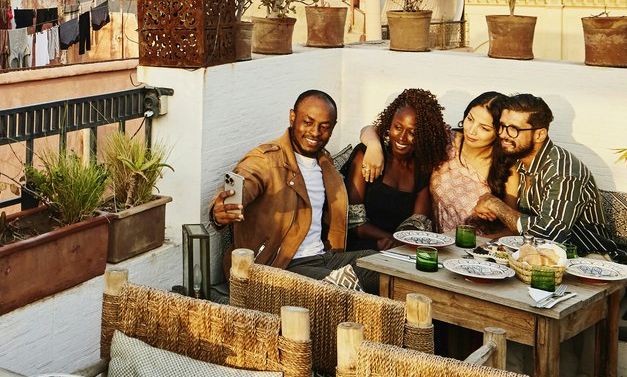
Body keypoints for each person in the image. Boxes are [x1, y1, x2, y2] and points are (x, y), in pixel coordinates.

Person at [208, 89, 355, 277]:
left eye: (324, 127)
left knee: (383, 266)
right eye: (308, 122)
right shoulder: (266, 160)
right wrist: (220, 210)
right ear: (292, 117)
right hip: (279, 265)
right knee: (341, 287)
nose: (315, 132)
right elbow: (247, 179)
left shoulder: (325, 163)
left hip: (323, 258)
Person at [486, 94, 616, 256]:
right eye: (502, 126)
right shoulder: (518, 158)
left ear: (540, 134)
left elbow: (550, 234)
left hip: (589, 260)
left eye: (514, 129)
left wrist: (495, 205)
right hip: (534, 255)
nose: (503, 134)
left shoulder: (564, 172)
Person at [345, 89, 450, 247]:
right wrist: (391, 239)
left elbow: (418, 222)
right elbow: (352, 222)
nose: (402, 137)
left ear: (423, 135)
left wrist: (400, 241)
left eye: (412, 132)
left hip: (399, 249)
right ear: (389, 125)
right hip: (359, 246)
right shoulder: (367, 155)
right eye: (398, 127)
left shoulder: (422, 167)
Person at [429, 90, 508, 234]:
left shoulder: (504, 166)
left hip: (475, 249)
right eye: (470, 119)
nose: (471, 131)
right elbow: (401, 125)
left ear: (499, 132)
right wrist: (373, 138)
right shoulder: (446, 140)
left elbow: (510, 229)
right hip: (435, 243)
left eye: (484, 128)